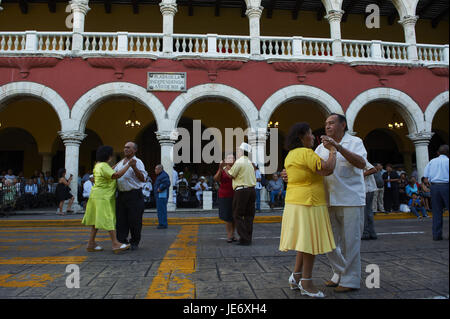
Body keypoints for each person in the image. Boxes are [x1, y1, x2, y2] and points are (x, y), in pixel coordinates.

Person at [279, 122, 337, 298]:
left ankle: (296, 276)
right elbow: (327, 169)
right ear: (301, 137)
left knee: (304, 243)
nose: (313, 137)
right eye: (310, 134)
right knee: (310, 243)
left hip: (295, 201)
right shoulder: (306, 153)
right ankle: (307, 282)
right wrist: (333, 151)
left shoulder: (290, 155)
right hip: (309, 202)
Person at [313, 113, 367, 293]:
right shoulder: (321, 147)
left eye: (331, 123)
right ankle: (338, 272)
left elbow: (361, 164)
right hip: (328, 199)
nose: (327, 126)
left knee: (350, 241)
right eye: (326, 123)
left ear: (342, 125)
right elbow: (313, 169)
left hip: (351, 199)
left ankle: (351, 280)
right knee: (329, 242)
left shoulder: (355, 142)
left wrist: (338, 148)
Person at [82, 145, 133, 253]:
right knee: (109, 218)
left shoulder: (97, 165)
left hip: (95, 195)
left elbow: (110, 170)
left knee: (96, 222)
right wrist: (128, 164)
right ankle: (115, 244)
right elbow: (116, 175)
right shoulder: (104, 166)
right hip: (103, 197)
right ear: (109, 156)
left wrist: (119, 163)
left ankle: (91, 243)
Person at [114, 142, 147, 250]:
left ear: (135, 150)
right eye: (125, 147)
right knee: (121, 220)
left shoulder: (138, 162)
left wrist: (134, 168)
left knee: (135, 220)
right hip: (121, 195)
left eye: (128, 148)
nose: (125, 149)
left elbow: (143, 178)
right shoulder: (121, 162)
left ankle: (134, 242)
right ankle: (122, 241)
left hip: (134, 195)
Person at [223, 142, 256, 246]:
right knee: (249, 216)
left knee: (237, 215)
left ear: (241, 151)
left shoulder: (239, 161)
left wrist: (224, 167)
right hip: (251, 190)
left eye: (238, 150)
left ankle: (244, 238)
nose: (236, 152)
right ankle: (248, 238)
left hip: (242, 191)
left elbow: (231, 175)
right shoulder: (249, 162)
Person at [424, 144, 449, 241]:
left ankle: (437, 235)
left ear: (438, 152)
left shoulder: (432, 162)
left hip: (434, 186)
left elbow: (425, 178)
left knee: (437, 212)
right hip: (446, 185)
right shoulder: (448, 161)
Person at [214, 153, 236, 243]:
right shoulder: (222, 169)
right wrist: (220, 168)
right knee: (227, 216)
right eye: (229, 158)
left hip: (235, 194)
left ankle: (233, 233)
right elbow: (216, 179)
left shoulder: (236, 168)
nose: (231, 159)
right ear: (225, 160)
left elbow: (232, 176)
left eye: (232, 158)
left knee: (234, 215)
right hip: (224, 194)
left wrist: (224, 168)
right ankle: (229, 235)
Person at [362, 162, 378, 240]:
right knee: (368, 211)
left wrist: (361, 175)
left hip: (367, 189)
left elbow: (374, 170)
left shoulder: (363, 160)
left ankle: (365, 232)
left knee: (365, 212)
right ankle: (371, 232)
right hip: (369, 189)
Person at [154, 164, 171, 229]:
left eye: (156, 169)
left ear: (160, 169)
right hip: (160, 196)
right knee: (160, 210)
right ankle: (161, 223)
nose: (155, 170)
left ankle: (163, 224)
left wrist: (160, 189)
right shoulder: (161, 175)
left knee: (162, 210)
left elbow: (167, 183)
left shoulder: (163, 175)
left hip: (161, 196)